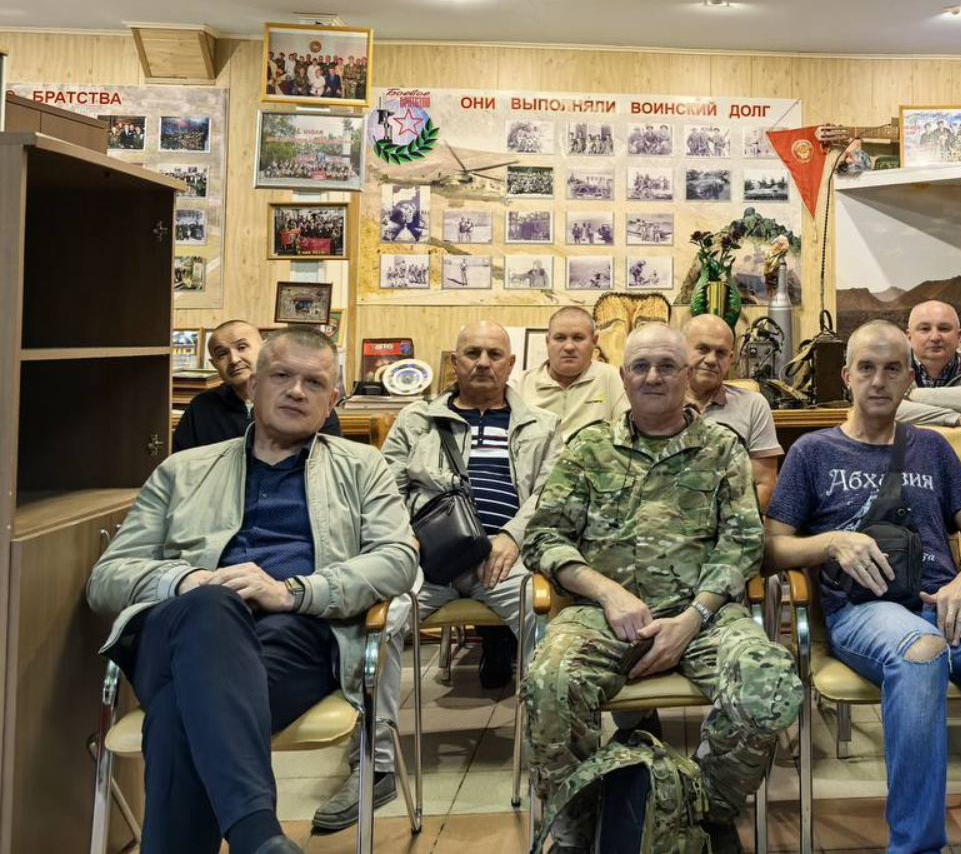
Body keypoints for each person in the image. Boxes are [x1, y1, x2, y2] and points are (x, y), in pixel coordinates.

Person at [86, 328, 417, 854]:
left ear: (332, 399)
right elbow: (107, 577)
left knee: (176, 716)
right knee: (211, 605)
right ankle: (256, 834)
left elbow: (398, 558)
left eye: (314, 383)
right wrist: (186, 580)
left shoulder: (362, 467)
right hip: (179, 631)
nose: (297, 391)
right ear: (254, 386)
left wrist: (295, 591)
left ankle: (255, 838)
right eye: (282, 376)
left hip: (295, 636)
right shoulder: (182, 470)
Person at [765, 320, 961, 854]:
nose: (878, 381)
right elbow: (774, 546)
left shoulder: (932, 449)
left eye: (892, 369)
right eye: (866, 368)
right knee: (921, 651)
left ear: (910, 380)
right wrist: (832, 542)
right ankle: (916, 845)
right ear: (847, 377)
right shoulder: (813, 451)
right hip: (864, 609)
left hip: (945, 600)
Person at [522, 323, 802, 854]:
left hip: (705, 616)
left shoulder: (721, 449)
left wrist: (693, 618)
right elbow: (543, 537)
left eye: (667, 366)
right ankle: (579, 828)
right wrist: (607, 593)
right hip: (601, 618)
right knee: (548, 681)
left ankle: (702, 812)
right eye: (641, 366)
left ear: (686, 374)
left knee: (769, 681)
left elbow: (743, 542)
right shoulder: (588, 450)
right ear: (623, 375)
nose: (653, 377)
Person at [312, 322, 563, 831]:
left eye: (494, 353)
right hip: (425, 561)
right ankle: (377, 763)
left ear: (512, 364)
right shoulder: (417, 420)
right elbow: (383, 488)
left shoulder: (543, 424)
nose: (483, 362)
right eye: (472, 352)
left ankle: (551, 756)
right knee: (379, 626)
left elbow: (551, 493)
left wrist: (512, 537)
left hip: (503, 562)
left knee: (550, 629)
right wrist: (406, 537)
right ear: (455, 361)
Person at [174, 320, 343, 452]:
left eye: (242, 347)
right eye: (222, 354)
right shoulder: (201, 407)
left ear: (263, 348)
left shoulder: (301, 400)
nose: (234, 359)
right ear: (214, 364)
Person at [683, 314, 784, 512]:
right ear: (680, 351)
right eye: (702, 349)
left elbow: (764, 485)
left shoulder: (753, 405)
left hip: (734, 523)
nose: (711, 360)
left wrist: (728, 525)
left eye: (721, 353)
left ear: (730, 359)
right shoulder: (659, 404)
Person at [509, 306, 629, 441]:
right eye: (560, 338)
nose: (569, 347)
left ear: (594, 341)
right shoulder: (521, 385)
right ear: (548, 342)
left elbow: (627, 435)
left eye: (578, 338)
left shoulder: (610, 378)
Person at [895, 300, 961, 451]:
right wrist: (959, 419)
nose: (935, 337)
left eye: (944, 329)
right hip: (904, 456)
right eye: (924, 329)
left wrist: (912, 395)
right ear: (909, 337)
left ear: (959, 337)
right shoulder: (891, 367)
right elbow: (884, 409)